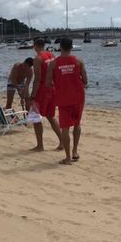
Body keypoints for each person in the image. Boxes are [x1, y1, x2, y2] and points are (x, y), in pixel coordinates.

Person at [46, 37, 87, 165]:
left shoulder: (53, 63)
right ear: (71, 46)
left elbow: (48, 83)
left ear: (60, 47)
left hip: (63, 98)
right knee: (77, 124)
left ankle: (68, 157)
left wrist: (58, 83)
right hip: (78, 97)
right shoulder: (79, 62)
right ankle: (75, 151)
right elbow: (85, 81)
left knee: (65, 127)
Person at [30, 38, 62, 152]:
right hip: (52, 88)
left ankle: (40, 145)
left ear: (35, 46)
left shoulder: (38, 59)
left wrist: (32, 95)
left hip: (43, 90)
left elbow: (37, 79)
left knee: (35, 116)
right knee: (50, 116)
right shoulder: (51, 55)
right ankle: (62, 141)